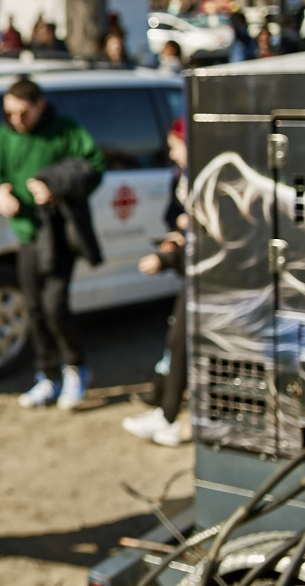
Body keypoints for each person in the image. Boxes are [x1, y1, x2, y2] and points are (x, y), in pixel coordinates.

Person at [0, 77, 104, 410]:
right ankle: (47, 375)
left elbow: (94, 167)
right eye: (10, 113)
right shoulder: (6, 132)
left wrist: (57, 186)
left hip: (60, 234)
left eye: (23, 113)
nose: (16, 120)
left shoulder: (64, 130)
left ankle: (76, 367)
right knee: (33, 307)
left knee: (55, 305)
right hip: (27, 234)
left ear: (40, 106)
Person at [123, 118, 188, 447]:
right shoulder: (181, 176)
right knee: (178, 342)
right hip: (190, 269)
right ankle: (166, 413)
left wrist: (167, 258)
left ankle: (169, 417)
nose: (172, 156)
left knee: (180, 342)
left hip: (206, 277)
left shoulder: (209, 177)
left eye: (175, 148)